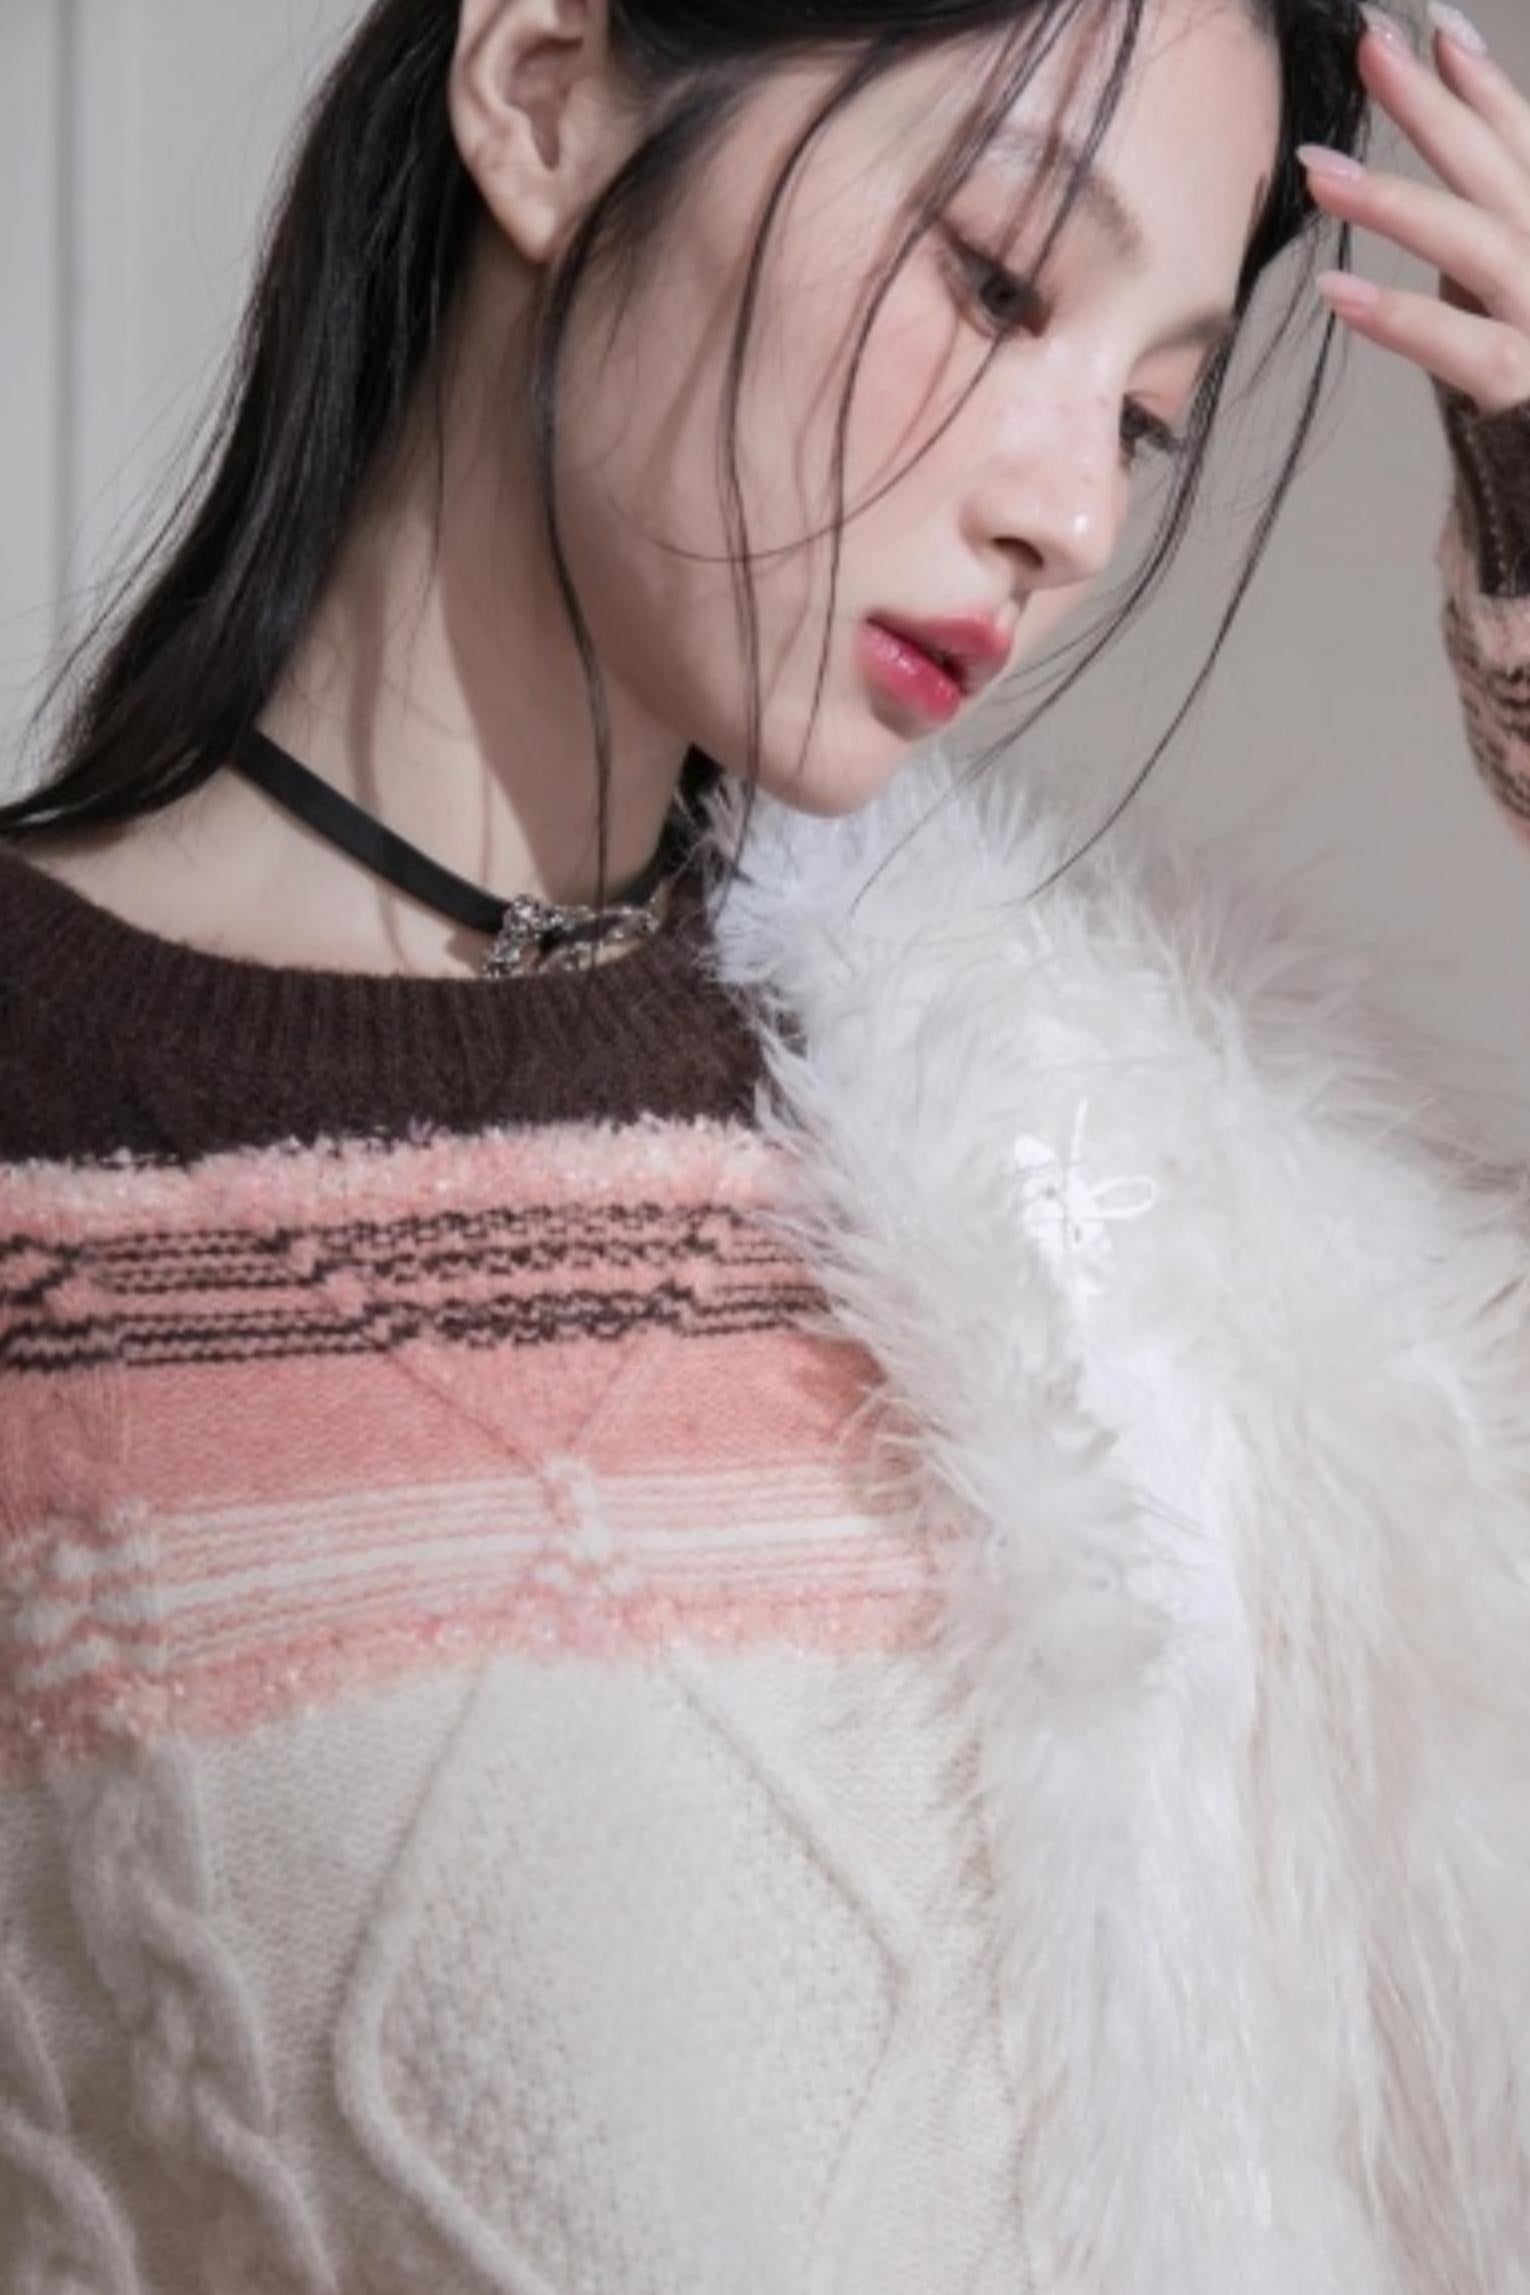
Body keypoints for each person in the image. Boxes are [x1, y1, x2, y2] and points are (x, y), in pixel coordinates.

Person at [3, 0, 1530, 2286]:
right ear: (542, 95)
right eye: (998, 278)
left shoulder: (1077, 1169)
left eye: (1144, 414)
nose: (1073, 513)